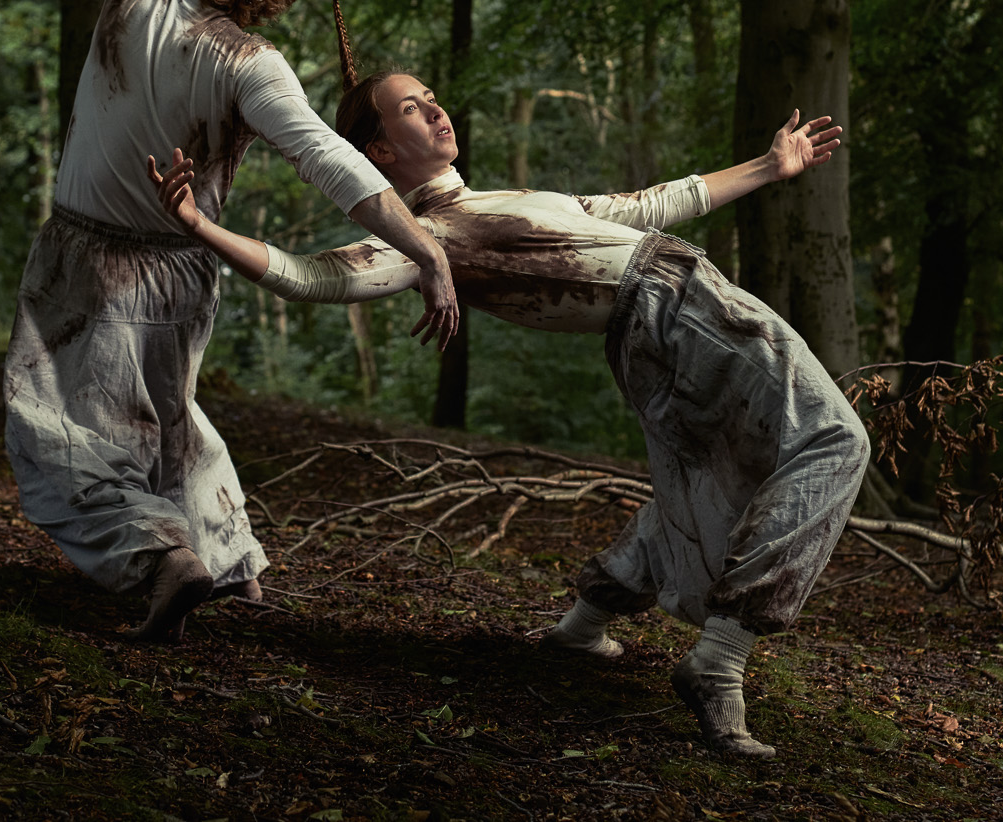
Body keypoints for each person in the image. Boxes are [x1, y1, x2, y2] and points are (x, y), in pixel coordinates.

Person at [146, 38, 868, 757]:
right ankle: (720, 660)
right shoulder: (421, 236)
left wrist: (771, 167)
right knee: (834, 441)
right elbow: (310, 275)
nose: (435, 110)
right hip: (678, 311)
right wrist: (202, 226)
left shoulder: (501, 201)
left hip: (658, 323)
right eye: (409, 107)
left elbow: (651, 203)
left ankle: (584, 625)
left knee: (703, 481)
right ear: (381, 154)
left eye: (432, 96)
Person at [4, 0, 459, 645]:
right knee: (171, 419)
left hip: (87, 262)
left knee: (57, 433)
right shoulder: (257, 64)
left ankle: (158, 557)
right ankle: (231, 560)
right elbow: (332, 160)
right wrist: (426, 249)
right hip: (182, 271)